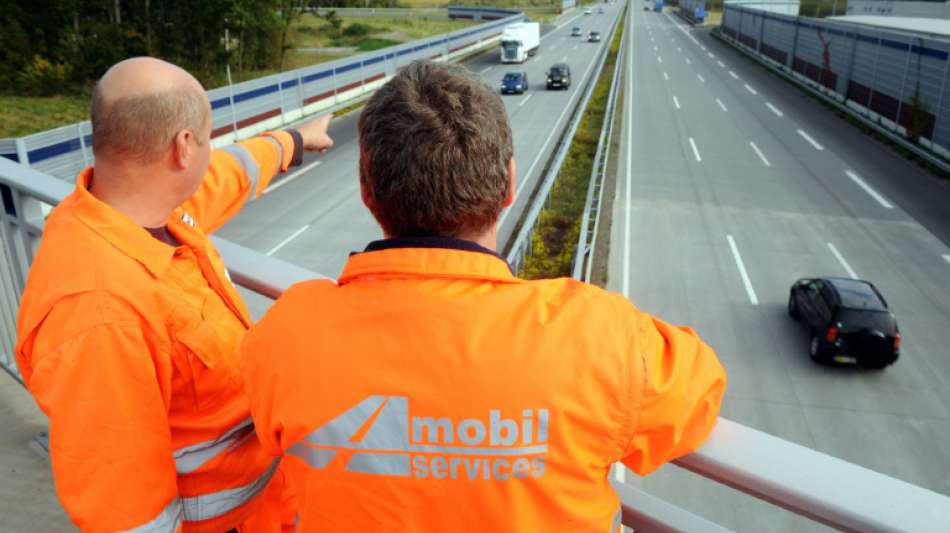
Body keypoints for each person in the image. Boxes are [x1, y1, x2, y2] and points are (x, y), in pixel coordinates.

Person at [240, 59, 727, 532]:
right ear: (510, 184)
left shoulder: (285, 335)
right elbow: (699, 391)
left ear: (368, 191)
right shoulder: (597, 337)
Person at [15, 57, 333, 532]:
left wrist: (291, 141)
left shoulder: (136, 210)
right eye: (208, 138)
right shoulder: (100, 312)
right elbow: (125, 514)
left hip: (262, 509)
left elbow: (227, 174)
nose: (212, 151)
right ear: (185, 147)